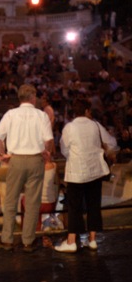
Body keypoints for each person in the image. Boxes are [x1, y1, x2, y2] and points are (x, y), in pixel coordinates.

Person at [0, 84, 54, 252]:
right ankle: (28, 241)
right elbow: (48, 139)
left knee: (11, 200)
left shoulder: (11, 114)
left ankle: (7, 239)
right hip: (35, 160)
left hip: (16, 160)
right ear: (33, 97)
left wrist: (2, 154)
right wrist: (46, 152)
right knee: (33, 202)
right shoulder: (41, 115)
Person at [55, 99, 117, 253]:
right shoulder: (95, 125)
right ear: (87, 110)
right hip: (95, 170)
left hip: (77, 171)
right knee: (94, 205)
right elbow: (112, 143)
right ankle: (93, 239)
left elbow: (64, 149)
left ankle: (71, 241)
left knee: (74, 207)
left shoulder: (69, 127)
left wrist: (75, 156)